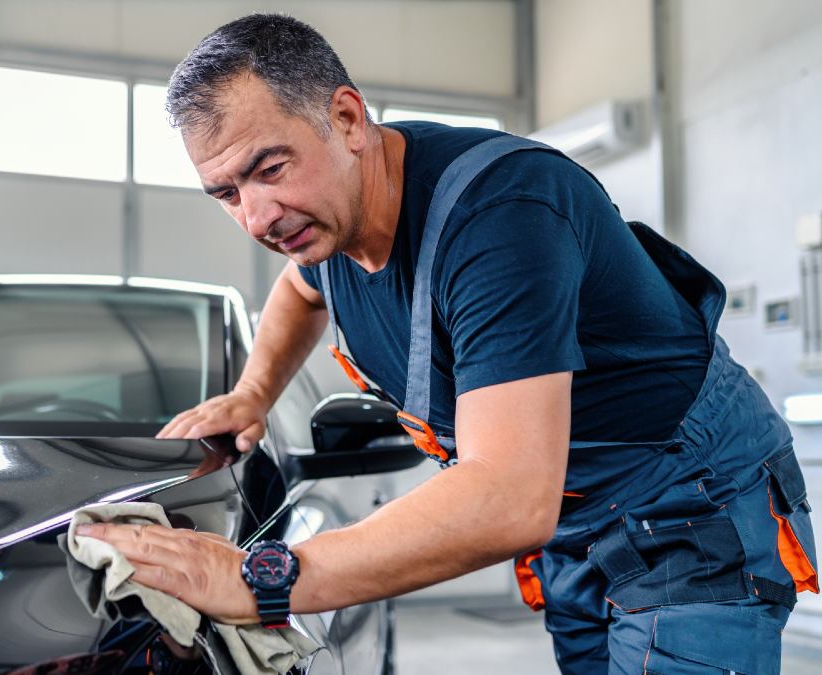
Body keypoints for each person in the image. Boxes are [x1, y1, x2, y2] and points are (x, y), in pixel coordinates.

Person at [75, 13, 817, 673]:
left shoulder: (500, 217)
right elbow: (303, 290)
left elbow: (506, 497)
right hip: (577, 519)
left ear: (347, 118)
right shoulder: (325, 229)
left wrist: (260, 578)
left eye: (270, 168)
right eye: (227, 193)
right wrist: (253, 392)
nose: (259, 216)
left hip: (690, 501)